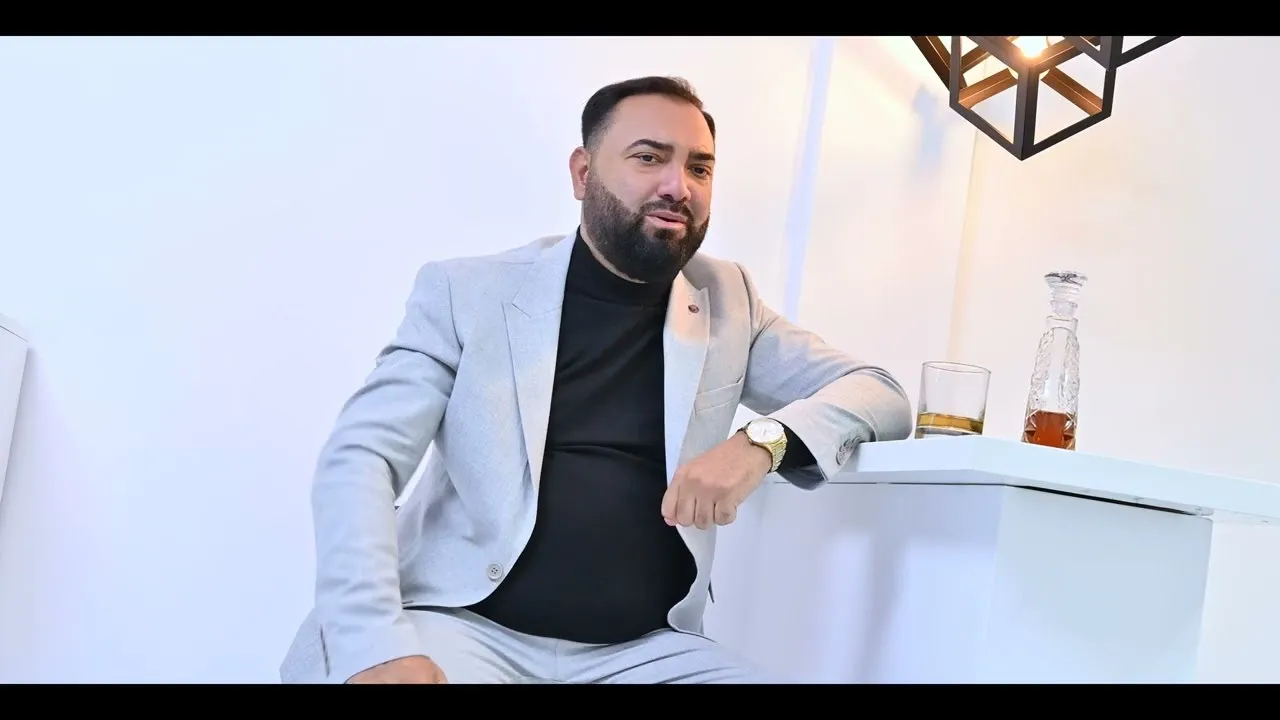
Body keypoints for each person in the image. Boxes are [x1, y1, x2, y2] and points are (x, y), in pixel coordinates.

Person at [279, 75, 913, 684]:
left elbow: (879, 391)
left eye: (699, 168)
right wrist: (374, 645)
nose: (678, 186)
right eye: (649, 158)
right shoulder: (467, 293)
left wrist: (760, 444)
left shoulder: (728, 300)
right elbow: (361, 457)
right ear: (583, 174)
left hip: (645, 652)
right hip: (465, 628)